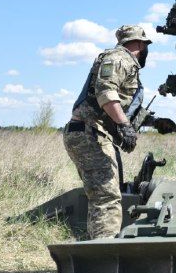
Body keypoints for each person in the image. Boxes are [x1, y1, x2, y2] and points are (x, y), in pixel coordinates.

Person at [63, 24, 150, 239]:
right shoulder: (120, 59)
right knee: (107, 198)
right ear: (139, 43)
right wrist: (124, 126)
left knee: (102, 197)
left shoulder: (123, 61)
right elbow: (106, 93)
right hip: (89, 133)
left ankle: (97, 249)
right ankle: (104, 257)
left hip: (89, 133)